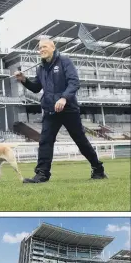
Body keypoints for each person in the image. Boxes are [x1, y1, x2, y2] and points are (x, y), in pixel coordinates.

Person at [15, 39, 108, 183]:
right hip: (50, 110)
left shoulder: (65, 61)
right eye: (39, 48)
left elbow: (74, 82)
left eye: (44, 47)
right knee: (45, 141)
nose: (41, 50)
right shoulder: (40, 68)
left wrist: (64, 98)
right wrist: (24, 80)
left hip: (69, 109)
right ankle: (42, 174)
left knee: (81, 141)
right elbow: (36, 88)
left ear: (53, 47)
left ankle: (98, 169)